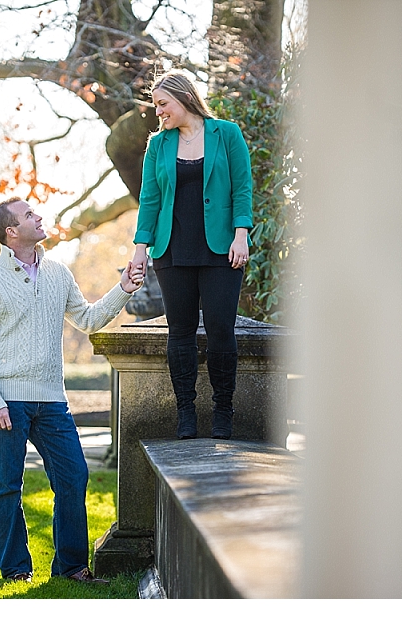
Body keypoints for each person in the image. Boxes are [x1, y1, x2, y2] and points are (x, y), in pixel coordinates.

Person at [0, 196, 143, 584]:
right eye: (29, 214)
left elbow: (90, 319)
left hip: (51, 401)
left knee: (73, 476)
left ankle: (71, 567)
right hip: (6, 402)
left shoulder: (59, 273)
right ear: (11, 232)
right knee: (8, 487)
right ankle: (15, 570)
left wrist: (124, 288)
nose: (39, 216)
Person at [130, 69, 253, 440]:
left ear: (184, 97)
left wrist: (241, 234)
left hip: (221, 250)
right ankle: (185, 412)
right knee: (180, 332)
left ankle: (223, 412)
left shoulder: (226, 133)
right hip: (172, 250)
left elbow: (242, 187)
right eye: (156, 106)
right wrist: (140, 250)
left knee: (220, 331)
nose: (159, 113)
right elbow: (150, 199)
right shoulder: (158, 145)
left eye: (163, 104)